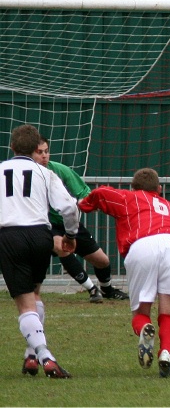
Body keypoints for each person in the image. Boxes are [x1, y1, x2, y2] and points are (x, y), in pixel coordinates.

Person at [78, 168, 170, 378]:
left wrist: (83, 205)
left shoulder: (130, 198)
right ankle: (166, 354)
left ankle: (145, 327)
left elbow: (102, 193)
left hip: (143, 245)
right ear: (160, 189)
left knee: (140, 313)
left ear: (133, 187)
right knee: (168, 314)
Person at [0, 124, 78, 378]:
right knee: (34, 294)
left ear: (11, 147)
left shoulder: (1, 170)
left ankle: (45, 356)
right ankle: (30, 356)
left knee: (24, 303)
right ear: (36, 149)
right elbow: (69, 207)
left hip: (10, 236)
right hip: (40, 235)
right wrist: (70, 235)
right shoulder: (45, 173)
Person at [32, 137, 129, 303]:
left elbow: (83, 192)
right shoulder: (28, 174)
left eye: (46, 151)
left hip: (69, 223)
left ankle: (107, 289)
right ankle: (92, 290)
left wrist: (88, 202)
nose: (44, 156)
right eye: (39, 152)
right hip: (44, 225)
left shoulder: (60, 170)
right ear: (30, 153)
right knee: (61, 246)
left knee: (102, 260)